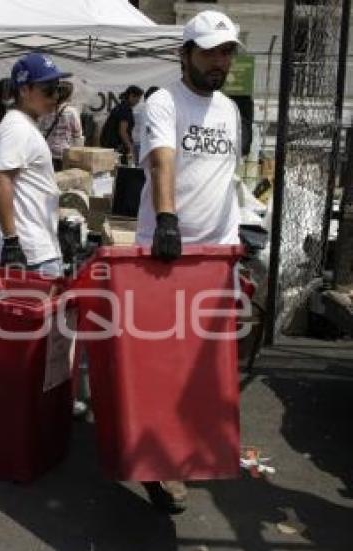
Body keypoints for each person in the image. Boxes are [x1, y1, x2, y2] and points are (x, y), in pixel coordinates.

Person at [135, 9, 243, 513]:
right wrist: (167, 220)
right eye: (209, 51)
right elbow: (163, 158)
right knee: (158, 364)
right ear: (185, 54)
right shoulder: (163, 102)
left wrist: (234, 252)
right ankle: (156, 466)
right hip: (166, 254)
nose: (219, 62)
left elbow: (227, 180)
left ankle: (186, 450)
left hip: (212, 258)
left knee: (202, 367)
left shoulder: (230, 111)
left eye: (226, 52)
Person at [0, 53, 69, 277]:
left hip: (35, 248)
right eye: (48, 89)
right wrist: (11, 242)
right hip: (31, 253)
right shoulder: (17, 127)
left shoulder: (24, 125)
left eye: (58, 88)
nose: (55, 96)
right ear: (23, 90)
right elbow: (1, 181)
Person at [39, 80, 84, 171]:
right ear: (69, 95)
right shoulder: (71, 112)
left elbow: (41, 128)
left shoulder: (46, 109)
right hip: (64, 153)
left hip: (47, 151)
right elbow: (77, 134)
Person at [100, 85, 144, 164]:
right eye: (138, 99)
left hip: (109, 145)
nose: (138, 102)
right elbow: (122, 131)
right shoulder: (125, 109)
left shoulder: (120, 107)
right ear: (131, 96)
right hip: (117, 146)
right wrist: (130, 147)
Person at [132, 86, 160, 160]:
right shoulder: (150, 107)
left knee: (137, 167)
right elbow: (149, 127)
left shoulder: (137, 106)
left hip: (135, 140)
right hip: (144, 143)